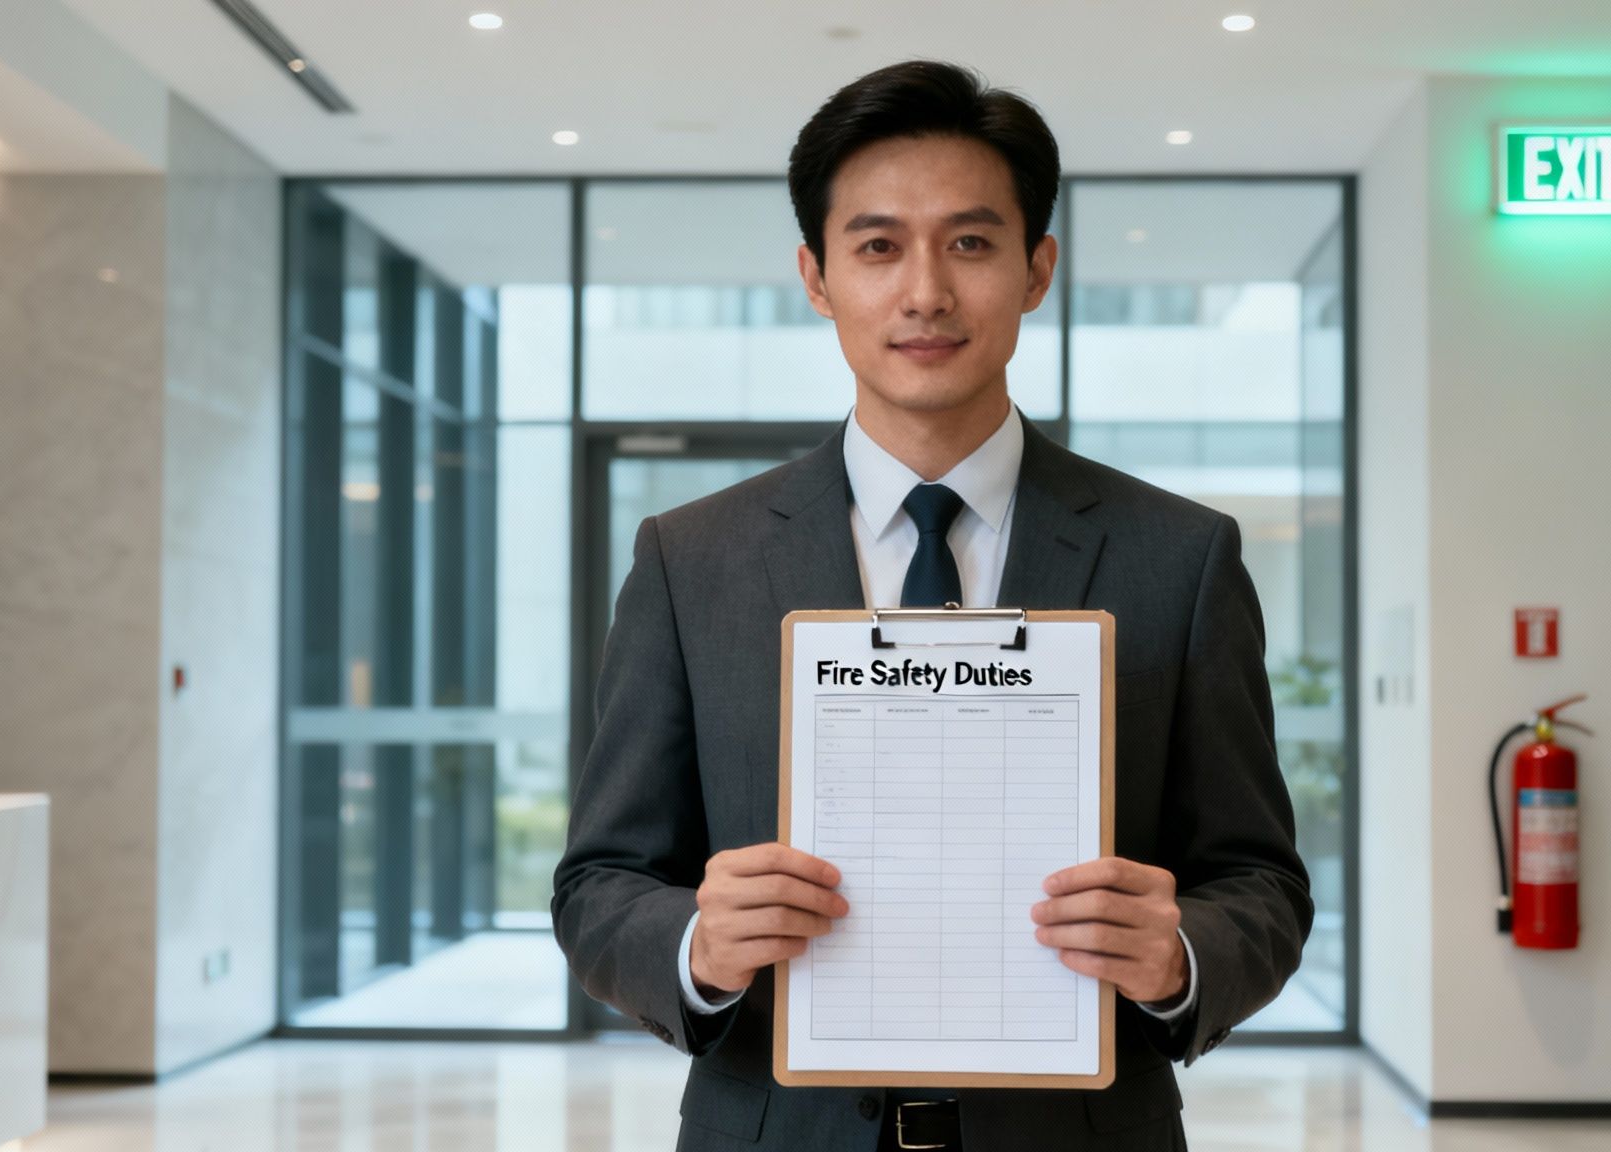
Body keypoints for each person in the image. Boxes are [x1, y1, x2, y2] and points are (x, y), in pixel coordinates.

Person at [552, 59, 1312, 1152]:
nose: (924, 293)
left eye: (969, 243)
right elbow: (598, 885)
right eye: (876, 246)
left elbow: (1260, 882)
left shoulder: (1178, 556)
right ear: (815, 277)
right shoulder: (692, 559)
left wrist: (1181, 952)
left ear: (1036, 267)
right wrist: (695, 944)